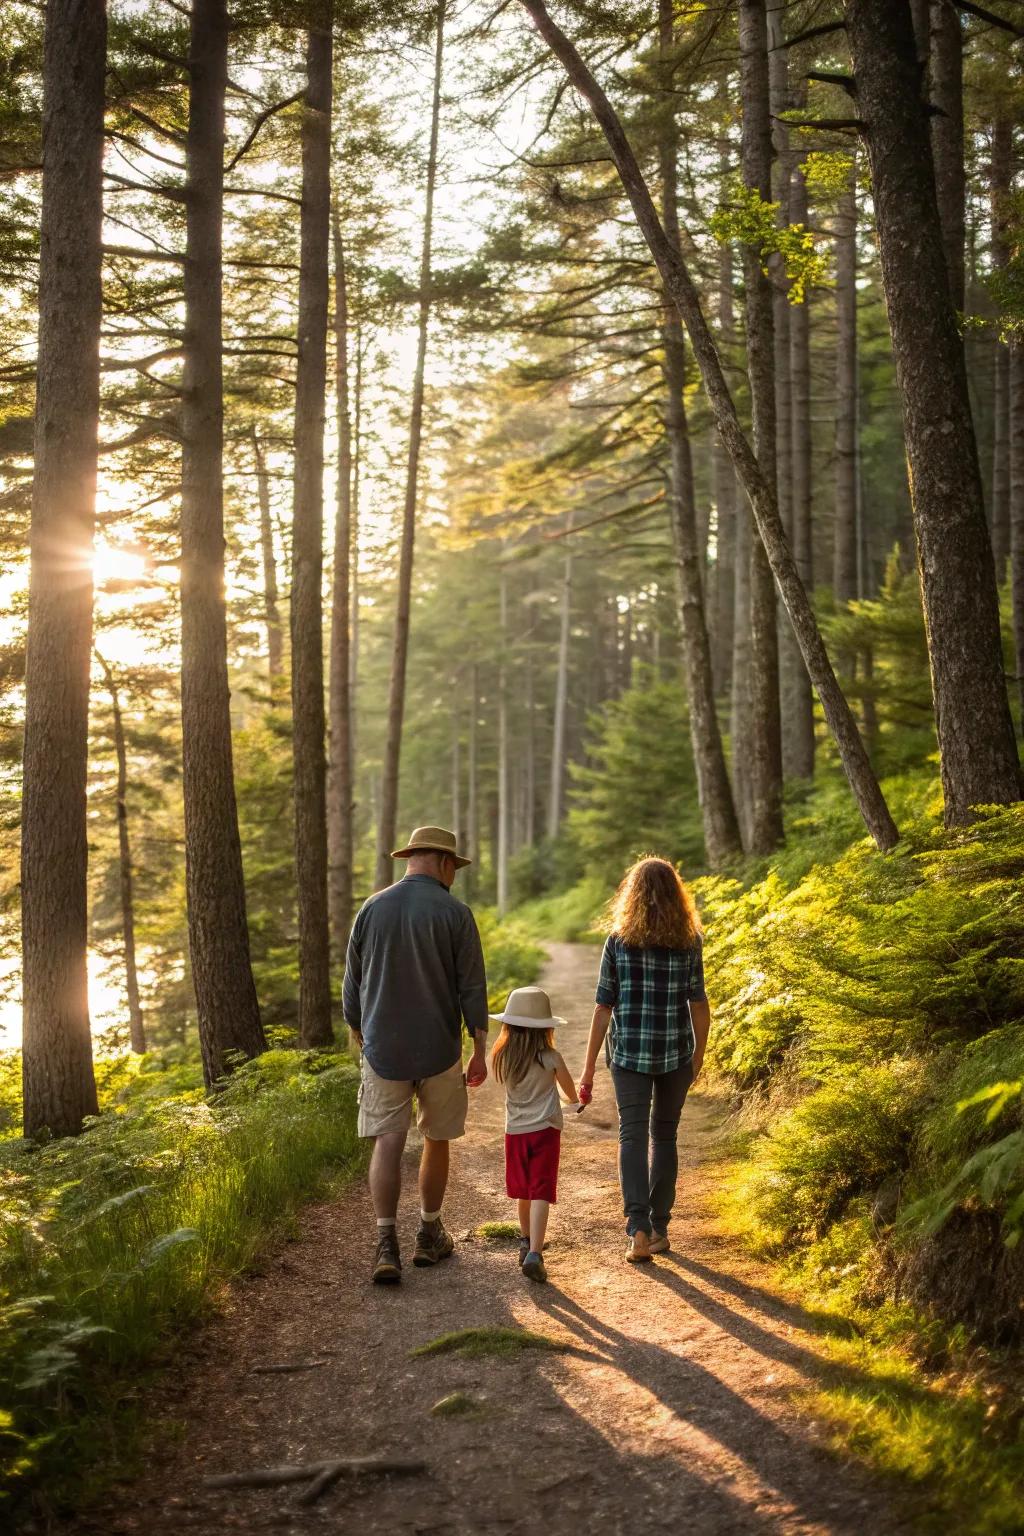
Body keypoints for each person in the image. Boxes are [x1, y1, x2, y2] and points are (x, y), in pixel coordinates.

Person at [343, 825, 489, 1285]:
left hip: (382, 1046)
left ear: (411, 859)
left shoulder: (372, 908)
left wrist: (359, 1030)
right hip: (439, 1047)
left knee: (388, 1139)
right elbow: (472, 986)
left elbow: (352, 981)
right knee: (436, 1138)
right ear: (444, 863)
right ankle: (429, 1233)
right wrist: (479, 1049)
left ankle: (386, 1244)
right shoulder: (455, 913)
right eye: (454, 867)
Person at [578, 856, 711, 1264]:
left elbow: (603, 1007)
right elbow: (699, 1004)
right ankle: (659, 1229)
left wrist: (588, 1069)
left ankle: (637, 1229)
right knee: (665, 1136)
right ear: (676, 895)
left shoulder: (618, 941)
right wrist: (698, 1055)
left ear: (632, 895)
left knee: (632, 1136)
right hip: (675, 1055)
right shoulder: (689, 941)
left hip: (628, 1055)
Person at [491, 986, 578, 1284]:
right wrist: (576, 1102)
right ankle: (535, 1254)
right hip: (545, 1131)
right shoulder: (551, 1058)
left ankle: (525, 1240)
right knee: (541, 1190)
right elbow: (569, 1092)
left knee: (524, 1191)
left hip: (515, 1133)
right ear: (546, 1028)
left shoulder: (504, 1057)